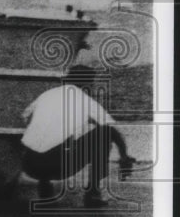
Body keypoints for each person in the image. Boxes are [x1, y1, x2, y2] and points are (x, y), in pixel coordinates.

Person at [21, 68, 138, 208]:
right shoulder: (85, 100)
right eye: (92, 83)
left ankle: (44, 186)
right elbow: (111, 129)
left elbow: (25, 116)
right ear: (86, 83)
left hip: (29, 164)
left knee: (52, 140)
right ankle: (92, 193)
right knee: (104, 136)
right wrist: (124, 156)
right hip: (58, 167)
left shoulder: (46, 95)